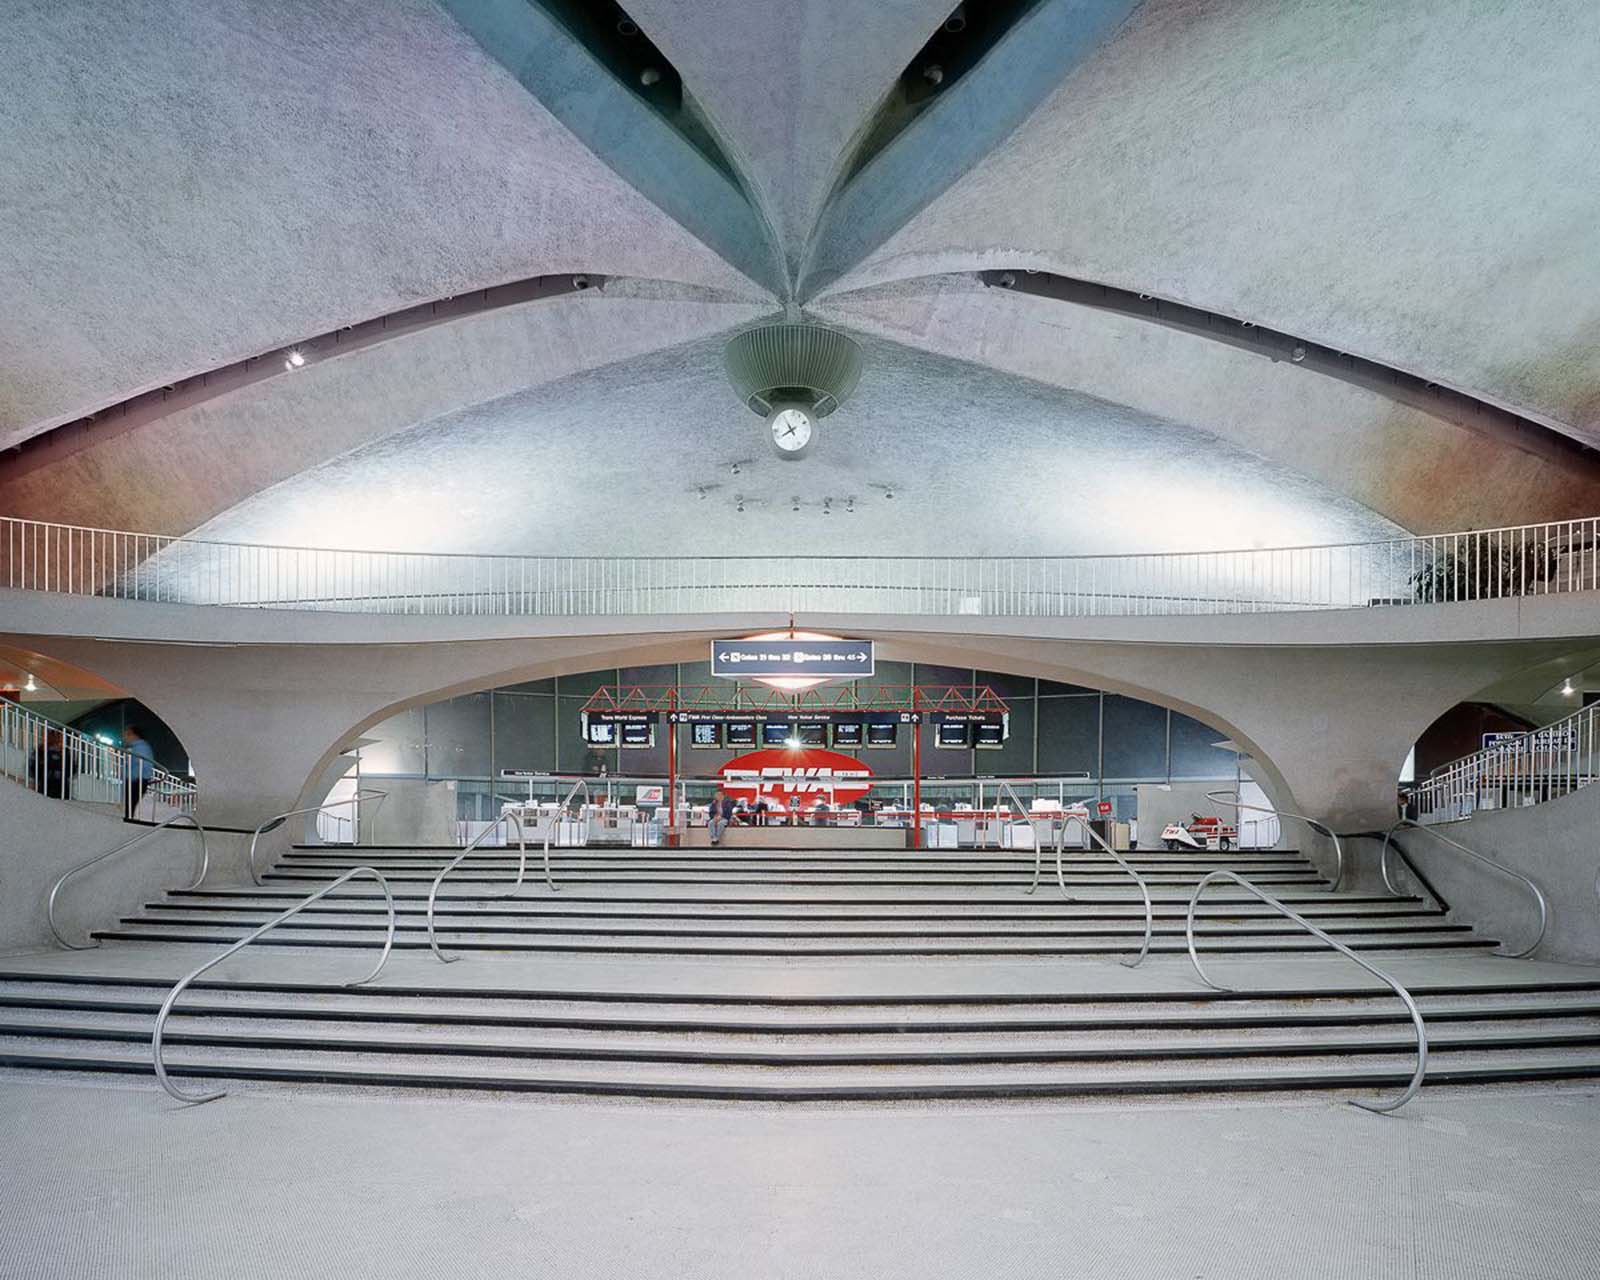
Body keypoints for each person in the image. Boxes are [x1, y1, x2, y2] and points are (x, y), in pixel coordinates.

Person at [122, 724, 156, 819]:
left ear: (133, 735)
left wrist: (132, 777)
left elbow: (142, 765)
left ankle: (129, 820)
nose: (125, 738)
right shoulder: (138, 747)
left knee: (131, 803)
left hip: (136, 780)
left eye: (126, 735)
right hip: (136, 779)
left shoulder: (140, 747)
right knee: (131, 804)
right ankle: (129, 819)